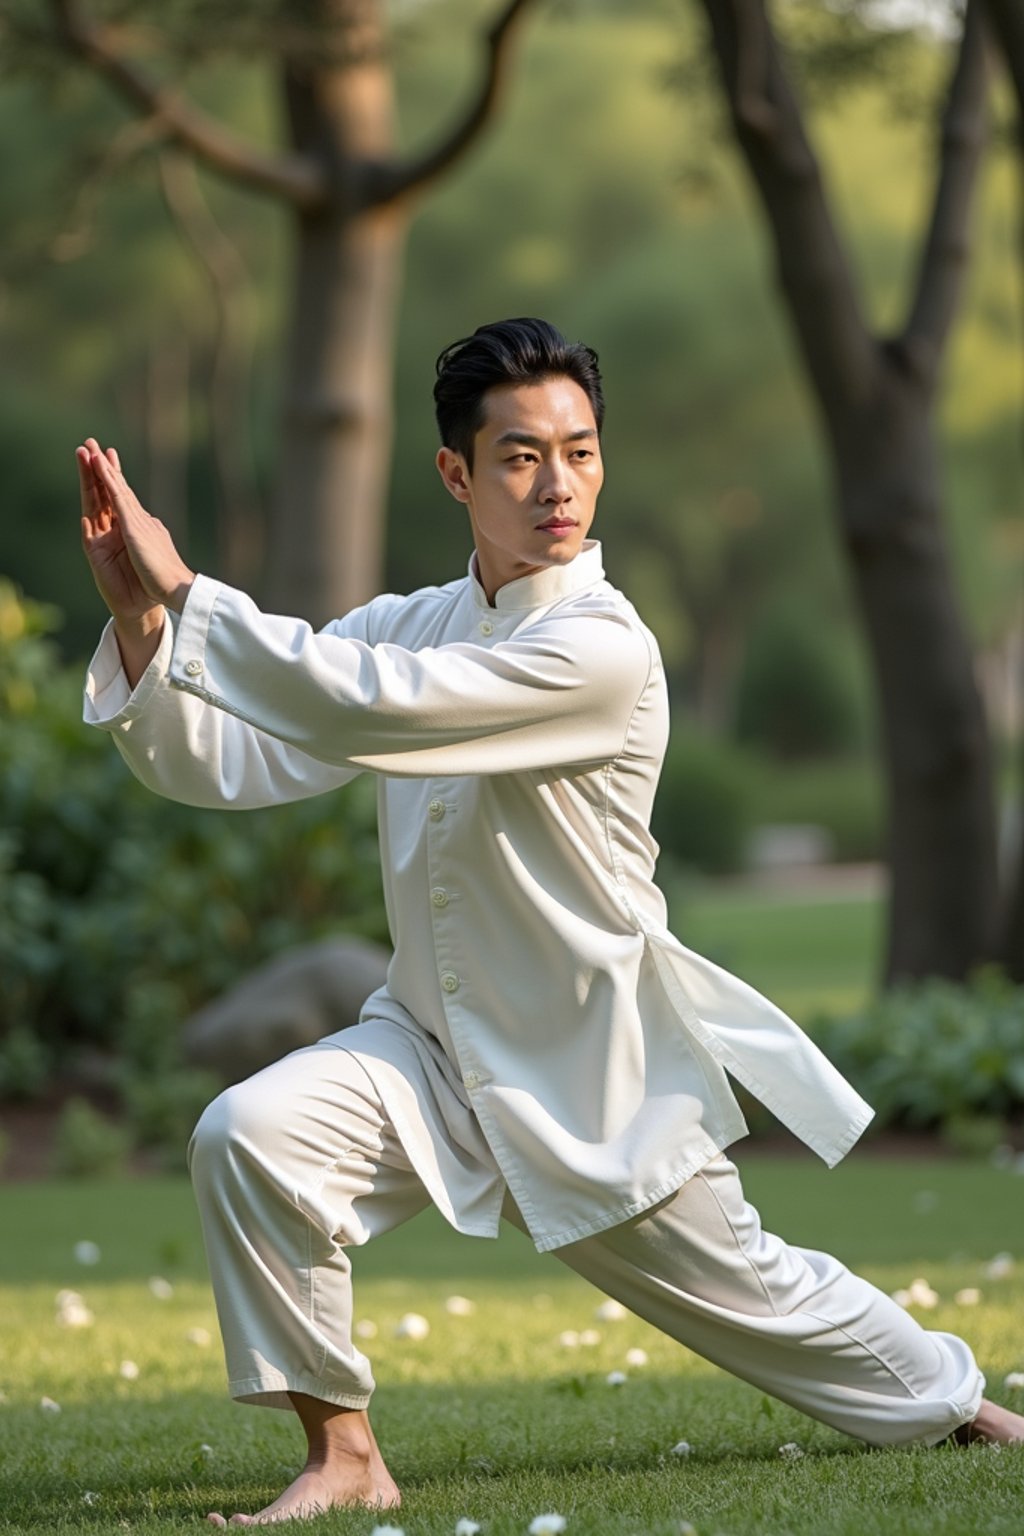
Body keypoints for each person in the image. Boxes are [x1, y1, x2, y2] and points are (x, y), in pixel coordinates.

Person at [80, 318, 1023, 1527]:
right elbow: (235, 756)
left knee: (770, 1301)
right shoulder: (415, 622)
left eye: (578, 452)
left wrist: (188, 588)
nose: (557, 484)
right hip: (426, 1046)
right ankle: (346, 1453)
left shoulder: (601, 648)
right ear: (455, 475)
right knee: (249, 1136)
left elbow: (370, 705)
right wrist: (148, 628)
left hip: (593, 1073)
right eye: (520, 456)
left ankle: (960, 1404)